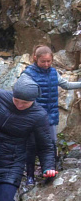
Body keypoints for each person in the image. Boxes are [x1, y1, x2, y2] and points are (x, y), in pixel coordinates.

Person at [21, 45, 81, 185]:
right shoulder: (28, 74)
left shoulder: (53, 73)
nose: (46, 64)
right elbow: (20, 92)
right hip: (33, 117)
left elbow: (66, 85)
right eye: (43, 61)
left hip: (51, 115)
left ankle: (49, 171)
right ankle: (30, 176)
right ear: (35, 58)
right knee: (31, 146)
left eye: (49, 61)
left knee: (51, 144)